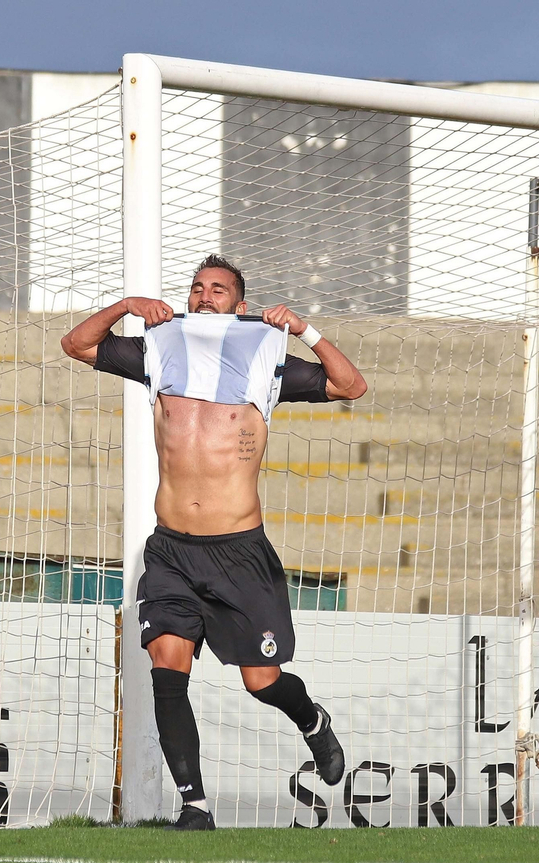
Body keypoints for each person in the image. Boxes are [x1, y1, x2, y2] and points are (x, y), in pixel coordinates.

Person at [61, 254, 368, 830]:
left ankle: (312, 723)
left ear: (241, 306)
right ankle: (194, 807)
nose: (205, 298)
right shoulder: (161, 351)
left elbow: (351, 384)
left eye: (219, 290)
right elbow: (76, 345)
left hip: (239, 555)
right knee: (166, 669)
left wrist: (305, 330)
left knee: (263, 682)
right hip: (172, 551)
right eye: (198, 289)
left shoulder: (267, 361)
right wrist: (128, 306)